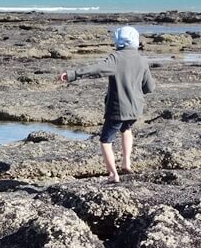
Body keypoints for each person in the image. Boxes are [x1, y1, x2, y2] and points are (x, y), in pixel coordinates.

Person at [58, 26, 155, 183]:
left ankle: (113, 175)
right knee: (127, 128)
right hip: (136, 109)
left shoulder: (115, 58)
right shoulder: (142, 60)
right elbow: (149, 87)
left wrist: (72, 74)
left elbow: (95, 69)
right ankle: (126, 162)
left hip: (117, 108)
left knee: (106, 140)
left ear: (118, 41)